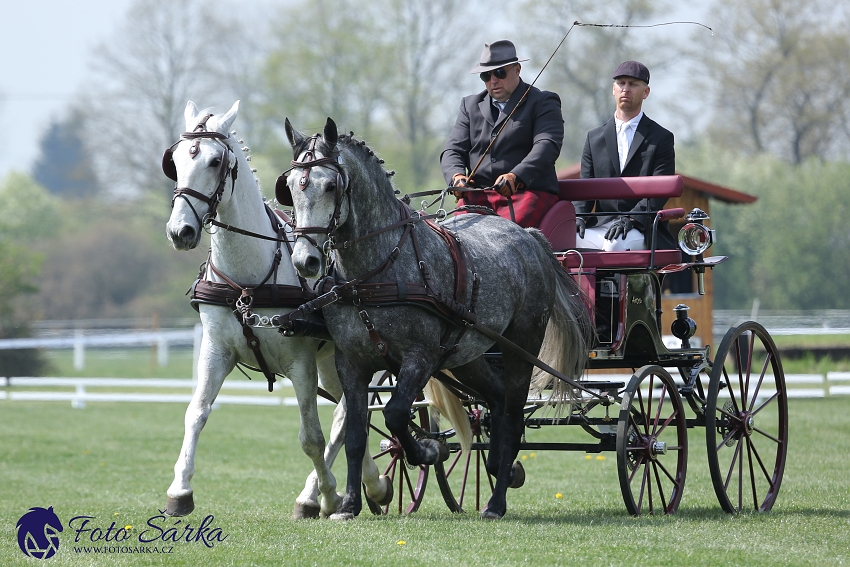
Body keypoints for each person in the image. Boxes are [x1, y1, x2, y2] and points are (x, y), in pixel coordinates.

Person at [441, 40, 564, 228]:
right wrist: (456, 176)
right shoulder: (469, 105)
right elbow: (453, 150)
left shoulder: (543, 102)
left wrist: (517, 176)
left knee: (504, 237)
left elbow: (547, 145)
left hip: (526, 195)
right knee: (450, 237)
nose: (493, 80)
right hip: (477, 197)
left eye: (500, 72)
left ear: (517, 69)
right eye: (486, 75)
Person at [574, 60, 676, 251]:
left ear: (646, 92)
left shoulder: (661, 138)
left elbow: (659, 193)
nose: (625, 89)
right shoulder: (593, 138)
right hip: (600, 224)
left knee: (615, 245)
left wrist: (631, 218)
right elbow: (584, 189)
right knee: (568, 241)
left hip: (643, 226)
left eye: (633, 84)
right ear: (613, 89)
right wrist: (578, 217)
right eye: (621, 83)